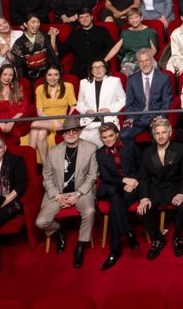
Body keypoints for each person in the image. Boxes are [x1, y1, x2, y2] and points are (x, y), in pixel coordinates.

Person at [35, 117, 97, 269]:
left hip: (80, 192)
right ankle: (58, 230)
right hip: (58, 194)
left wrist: (77, 195)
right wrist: (56, 194)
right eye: (67, 131)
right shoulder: (53, 151)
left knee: (89, 211)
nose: (71, 134)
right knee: (41, 222)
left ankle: (81, 245)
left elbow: (92, 176)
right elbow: (47, 176)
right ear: (62, 134)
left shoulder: (91, 148)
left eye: (74, 130)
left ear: (79, 132)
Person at [137, 117, 183, 260]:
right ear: (153, 134)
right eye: (157, 133)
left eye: (164, 132)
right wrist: (144, 197)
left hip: (175, 187)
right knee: (141, 211)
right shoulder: (147, 152)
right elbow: (144, 177)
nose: (161, 136)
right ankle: (158, 238)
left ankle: (177, 237)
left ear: (170, 132)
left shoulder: (179, 148)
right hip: (156, 190)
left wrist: (181, 193)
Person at [95, 123, 141, 271]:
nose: (108, 140)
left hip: (132, 184)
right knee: (114, 195)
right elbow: (106, 177)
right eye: (104, 138)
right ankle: (128, 232)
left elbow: (141, 166)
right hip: (112, 185)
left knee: (116, 206)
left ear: (116, 134)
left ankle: (115, 249)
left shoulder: (129, 145)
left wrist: (133, 181)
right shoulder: (100, 153)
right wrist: (123, 180)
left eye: (110, 136)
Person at [120, 49, 173, 150]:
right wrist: (130, 118)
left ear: (152, 60)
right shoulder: (132, 79)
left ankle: (154, 164)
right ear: (138, 63)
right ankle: (136, 163)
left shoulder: (164, 78)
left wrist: (160, 117)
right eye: (141, 61)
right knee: (124, 135)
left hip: (155, 118)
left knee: (158, 137)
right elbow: (129, 103)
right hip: (137, 119)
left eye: (147, 60)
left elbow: (167, 101)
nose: (144, 64)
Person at [30, 66, 77, 163]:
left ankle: (29, 159)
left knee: (34, 125)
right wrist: (53, 120)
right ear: (45, 76)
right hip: (46, 120)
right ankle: (45, 164)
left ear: (59, 76)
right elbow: (40, 112)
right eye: (49, 75)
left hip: (62, 121)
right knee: (41, 133)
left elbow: (73, 106)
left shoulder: (68, 86)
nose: (53, 78)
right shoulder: (40, 89)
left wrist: (67, 121)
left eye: (56, 74)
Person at [60, 9, 115, 80]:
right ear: (79, 20)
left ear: (92, 17)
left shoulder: (102, 31)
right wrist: (53, 37)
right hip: (81, 69)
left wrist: (103, 62)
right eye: (81, 17)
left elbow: (111, 48)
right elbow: (61, 50)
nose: (84, 19)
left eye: (87, 16)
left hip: (99, 67)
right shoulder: (74, 34)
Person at [104, 11, 158, 76]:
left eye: (136, 17)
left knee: (149, 71)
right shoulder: (125, 33)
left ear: (141, 18)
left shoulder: (150, 31)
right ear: (128, 21)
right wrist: (104, 61)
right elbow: (116, 48)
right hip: (129, 60)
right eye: (131, 18)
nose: (134, 20)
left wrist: (143, 60)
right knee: (124, 75)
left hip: (146, 59)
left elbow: (154, 50)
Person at [12, 14, 60, 83]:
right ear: (25, 24)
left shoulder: (43, 36)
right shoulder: (19, 43)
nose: (36, 24)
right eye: (33, 22)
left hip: (47, 71)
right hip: (31, 74)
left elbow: (52, 54)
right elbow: (19, 66)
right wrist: (23, 80)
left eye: (38, 22)